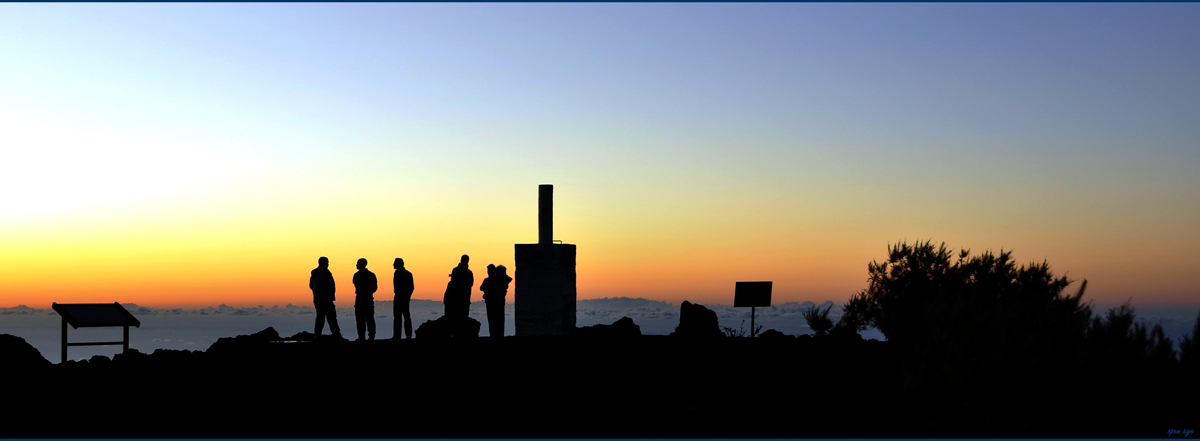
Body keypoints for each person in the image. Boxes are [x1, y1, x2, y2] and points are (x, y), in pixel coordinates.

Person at [310, 256, 342, 339]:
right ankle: (337, 335)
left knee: (320, 319)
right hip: (326, 299)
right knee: (332, 318)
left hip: (317, 299)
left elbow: (311, 286)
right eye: (327, 262)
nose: (328, 264)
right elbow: (330, 286)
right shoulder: (326, 273)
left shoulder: (314, 274)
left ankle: (317, 335)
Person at [481, 264, 512, 338]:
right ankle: (497, 336)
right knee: (497, 321)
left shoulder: (492, 280)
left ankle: (495, 336)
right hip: (497, 303)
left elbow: (482, 288)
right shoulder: (496, 280)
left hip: (493, 303)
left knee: (494, 320)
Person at [352, 258, 378, 341]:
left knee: (363, 319)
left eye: (357, 263)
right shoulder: (371, 275)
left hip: (362, 299)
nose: (356, 265)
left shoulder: (357, 275)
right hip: (366, 299)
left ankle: (363, 337)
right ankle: (369, 336)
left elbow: (356, 286)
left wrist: (364, 291)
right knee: (367, 318)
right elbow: (374, 287)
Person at [443, 255, 473, 320]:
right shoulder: (468, 273)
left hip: (459, 301)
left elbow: (470, 284)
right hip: (461, 301)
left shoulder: (458, 271)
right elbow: (470, 284)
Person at [393, 258, 414, 339]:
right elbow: (412, 287)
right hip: (405, 297)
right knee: (407, 316)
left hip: (399, 297)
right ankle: (408, 335)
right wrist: (408, 296)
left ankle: (397, 336)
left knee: (397, 317)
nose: (393, 264)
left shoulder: (397, 273)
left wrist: (400, 294)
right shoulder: (409, 274)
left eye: (394, 263)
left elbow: (397, 287)